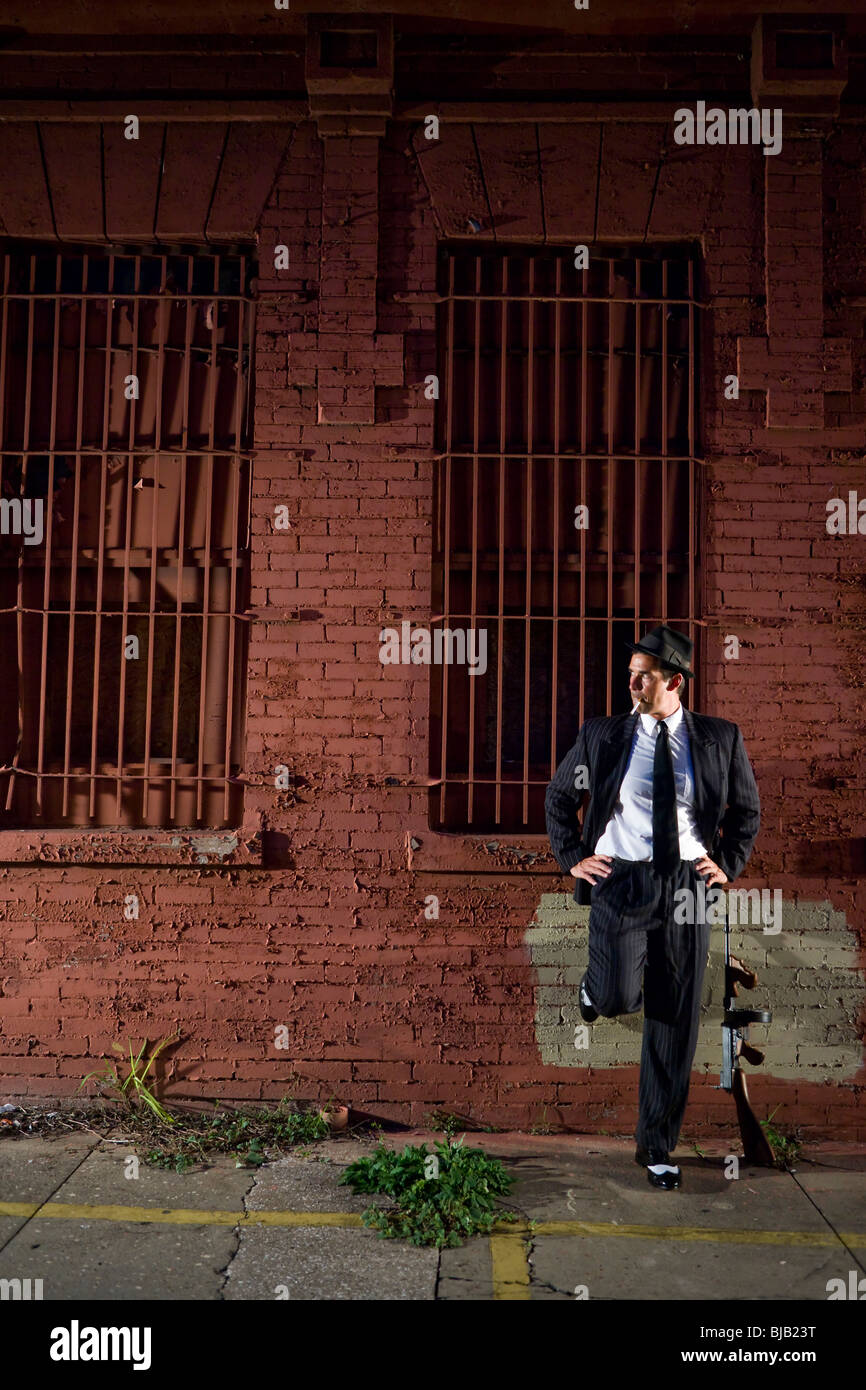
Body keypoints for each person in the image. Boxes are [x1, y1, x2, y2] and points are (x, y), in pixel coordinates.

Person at [544, 626, 760, 1189]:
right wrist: (573, 857)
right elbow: (561, 796)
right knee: (617, 993)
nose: (632, 682)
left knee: (675, 1014)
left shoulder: (719, 739)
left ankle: (658, 1147)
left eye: (644, 674)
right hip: (623, 879)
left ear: (675, 681)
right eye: (631, 672)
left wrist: (726, 865)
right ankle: (598, 991)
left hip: (687, 885)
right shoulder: (604, 737)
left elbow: (745, 812)